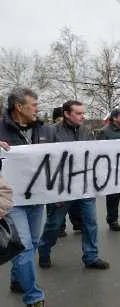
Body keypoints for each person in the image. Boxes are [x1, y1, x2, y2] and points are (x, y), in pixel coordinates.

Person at [38, 100, 110, 270]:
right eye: (78, 113)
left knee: (90, 222)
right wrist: (53, 191)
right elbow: (44, 162)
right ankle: (44, 249)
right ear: (66, 114)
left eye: (83, 113)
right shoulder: (51, 131)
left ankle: (91, 256)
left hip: (84, 186)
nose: (82, 116)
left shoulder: (86, 131)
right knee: (54, 224)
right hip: (61, 189)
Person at [0, 87, 47, 307]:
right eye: (34, 105)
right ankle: (34, 297)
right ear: (19, 107)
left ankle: (18, 279)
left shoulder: (44, 129)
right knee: (25, 246)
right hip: (13, 201)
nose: (37, 109)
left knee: (33, 243)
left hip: (36, 198)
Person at [50, 106, 81, 238]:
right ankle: (59, 228)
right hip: (58, 176)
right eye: (58, 119)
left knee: (74, 202)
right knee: (58, 206)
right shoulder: (52, 132)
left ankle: (77, 223)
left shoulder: (79, 131)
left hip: (74, 175)